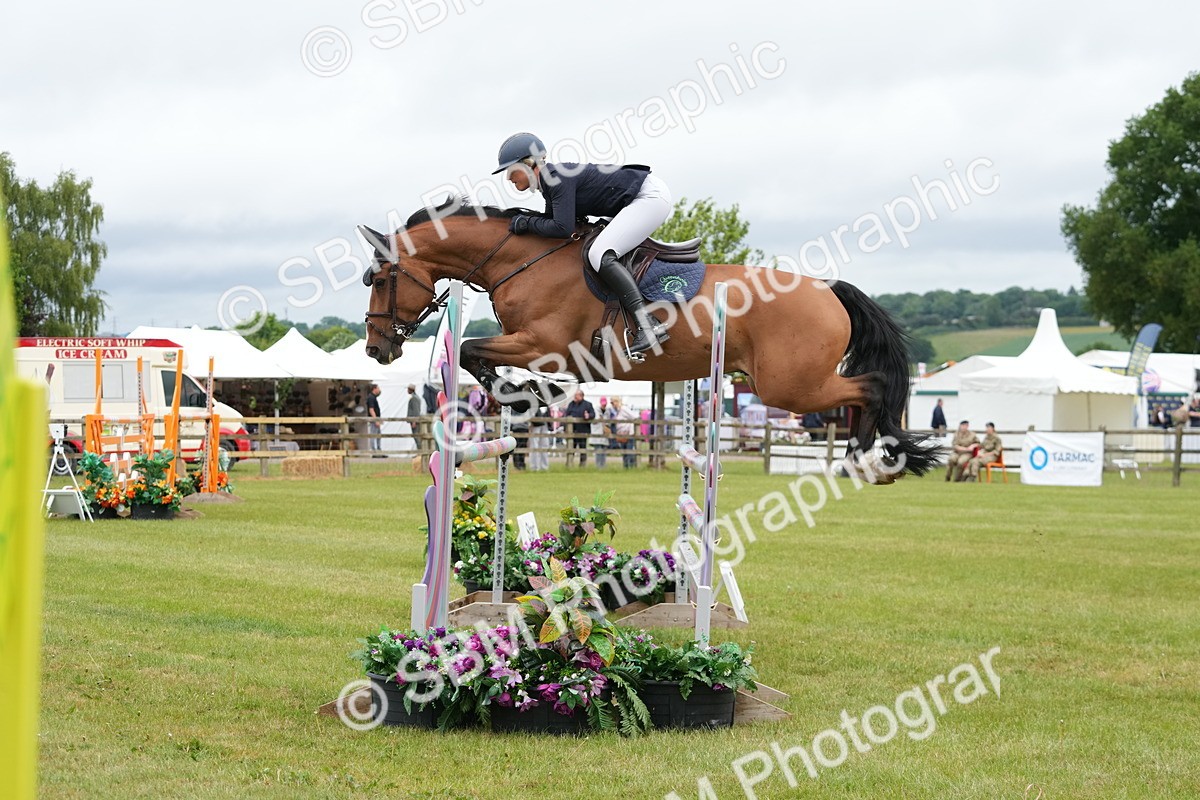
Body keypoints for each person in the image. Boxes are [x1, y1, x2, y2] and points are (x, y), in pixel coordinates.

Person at [494, 131, 671, 358]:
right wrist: (526, 222)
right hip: (629, 201)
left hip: (647, 198)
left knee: (600, 253)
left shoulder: (553, 177)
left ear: (527, 164)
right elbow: (553, 226)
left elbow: (562, 228)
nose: (509, 178)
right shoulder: (550, 182)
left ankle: (649, 325)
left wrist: (526, 222)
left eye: (511, 171)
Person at [563, 389, 595, 467]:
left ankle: (582, 465)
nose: (575, 397)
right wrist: (565, 428)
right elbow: (566, 415)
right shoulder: (571, 404)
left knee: (582, 448)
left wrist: (588, 416)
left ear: (581, 396)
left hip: (583, 431)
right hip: (572, 431)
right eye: (575, 396)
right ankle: (569, 464)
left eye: (576, 396)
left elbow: (593, 414)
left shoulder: (587, 404)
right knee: (571, 448)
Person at [610, 396, 639, 469]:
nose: (612, 404)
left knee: (629, 451)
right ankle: (626, 467)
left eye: (613, 402)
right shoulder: (617, 411)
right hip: (621, 434)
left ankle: (630, 467)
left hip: (627, 433)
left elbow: (634, 417)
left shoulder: (624, 409)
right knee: (624, 452)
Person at [589, 396, 613, 468]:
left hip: (604, 433)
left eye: (605, 404)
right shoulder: (595, 410)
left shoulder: (608, 411)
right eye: (603, 404)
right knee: (598, 451)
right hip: (597, 433)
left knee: (603, 451)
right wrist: (598, 420)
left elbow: (609, 422)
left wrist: (607, 426)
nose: (604, 405)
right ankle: (598, 466)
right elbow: (592, 421)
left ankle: (603, 466)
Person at [528, 399, 551, 471]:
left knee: (544, 445)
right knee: (534, 446)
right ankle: (534, 467)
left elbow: (548, 412)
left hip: (545, 424)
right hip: (535, 424)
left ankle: (544, 467)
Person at [366, 384, 382, 455]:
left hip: (377, 418)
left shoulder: (373, 397)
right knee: (373, 434)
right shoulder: (371, 397)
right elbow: (371, 410)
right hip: (374, 419)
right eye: (378, 388)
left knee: (378, 435)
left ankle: (378, 450)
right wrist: (376, 420)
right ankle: (373, 451)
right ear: (374, 389)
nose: (379, 390)